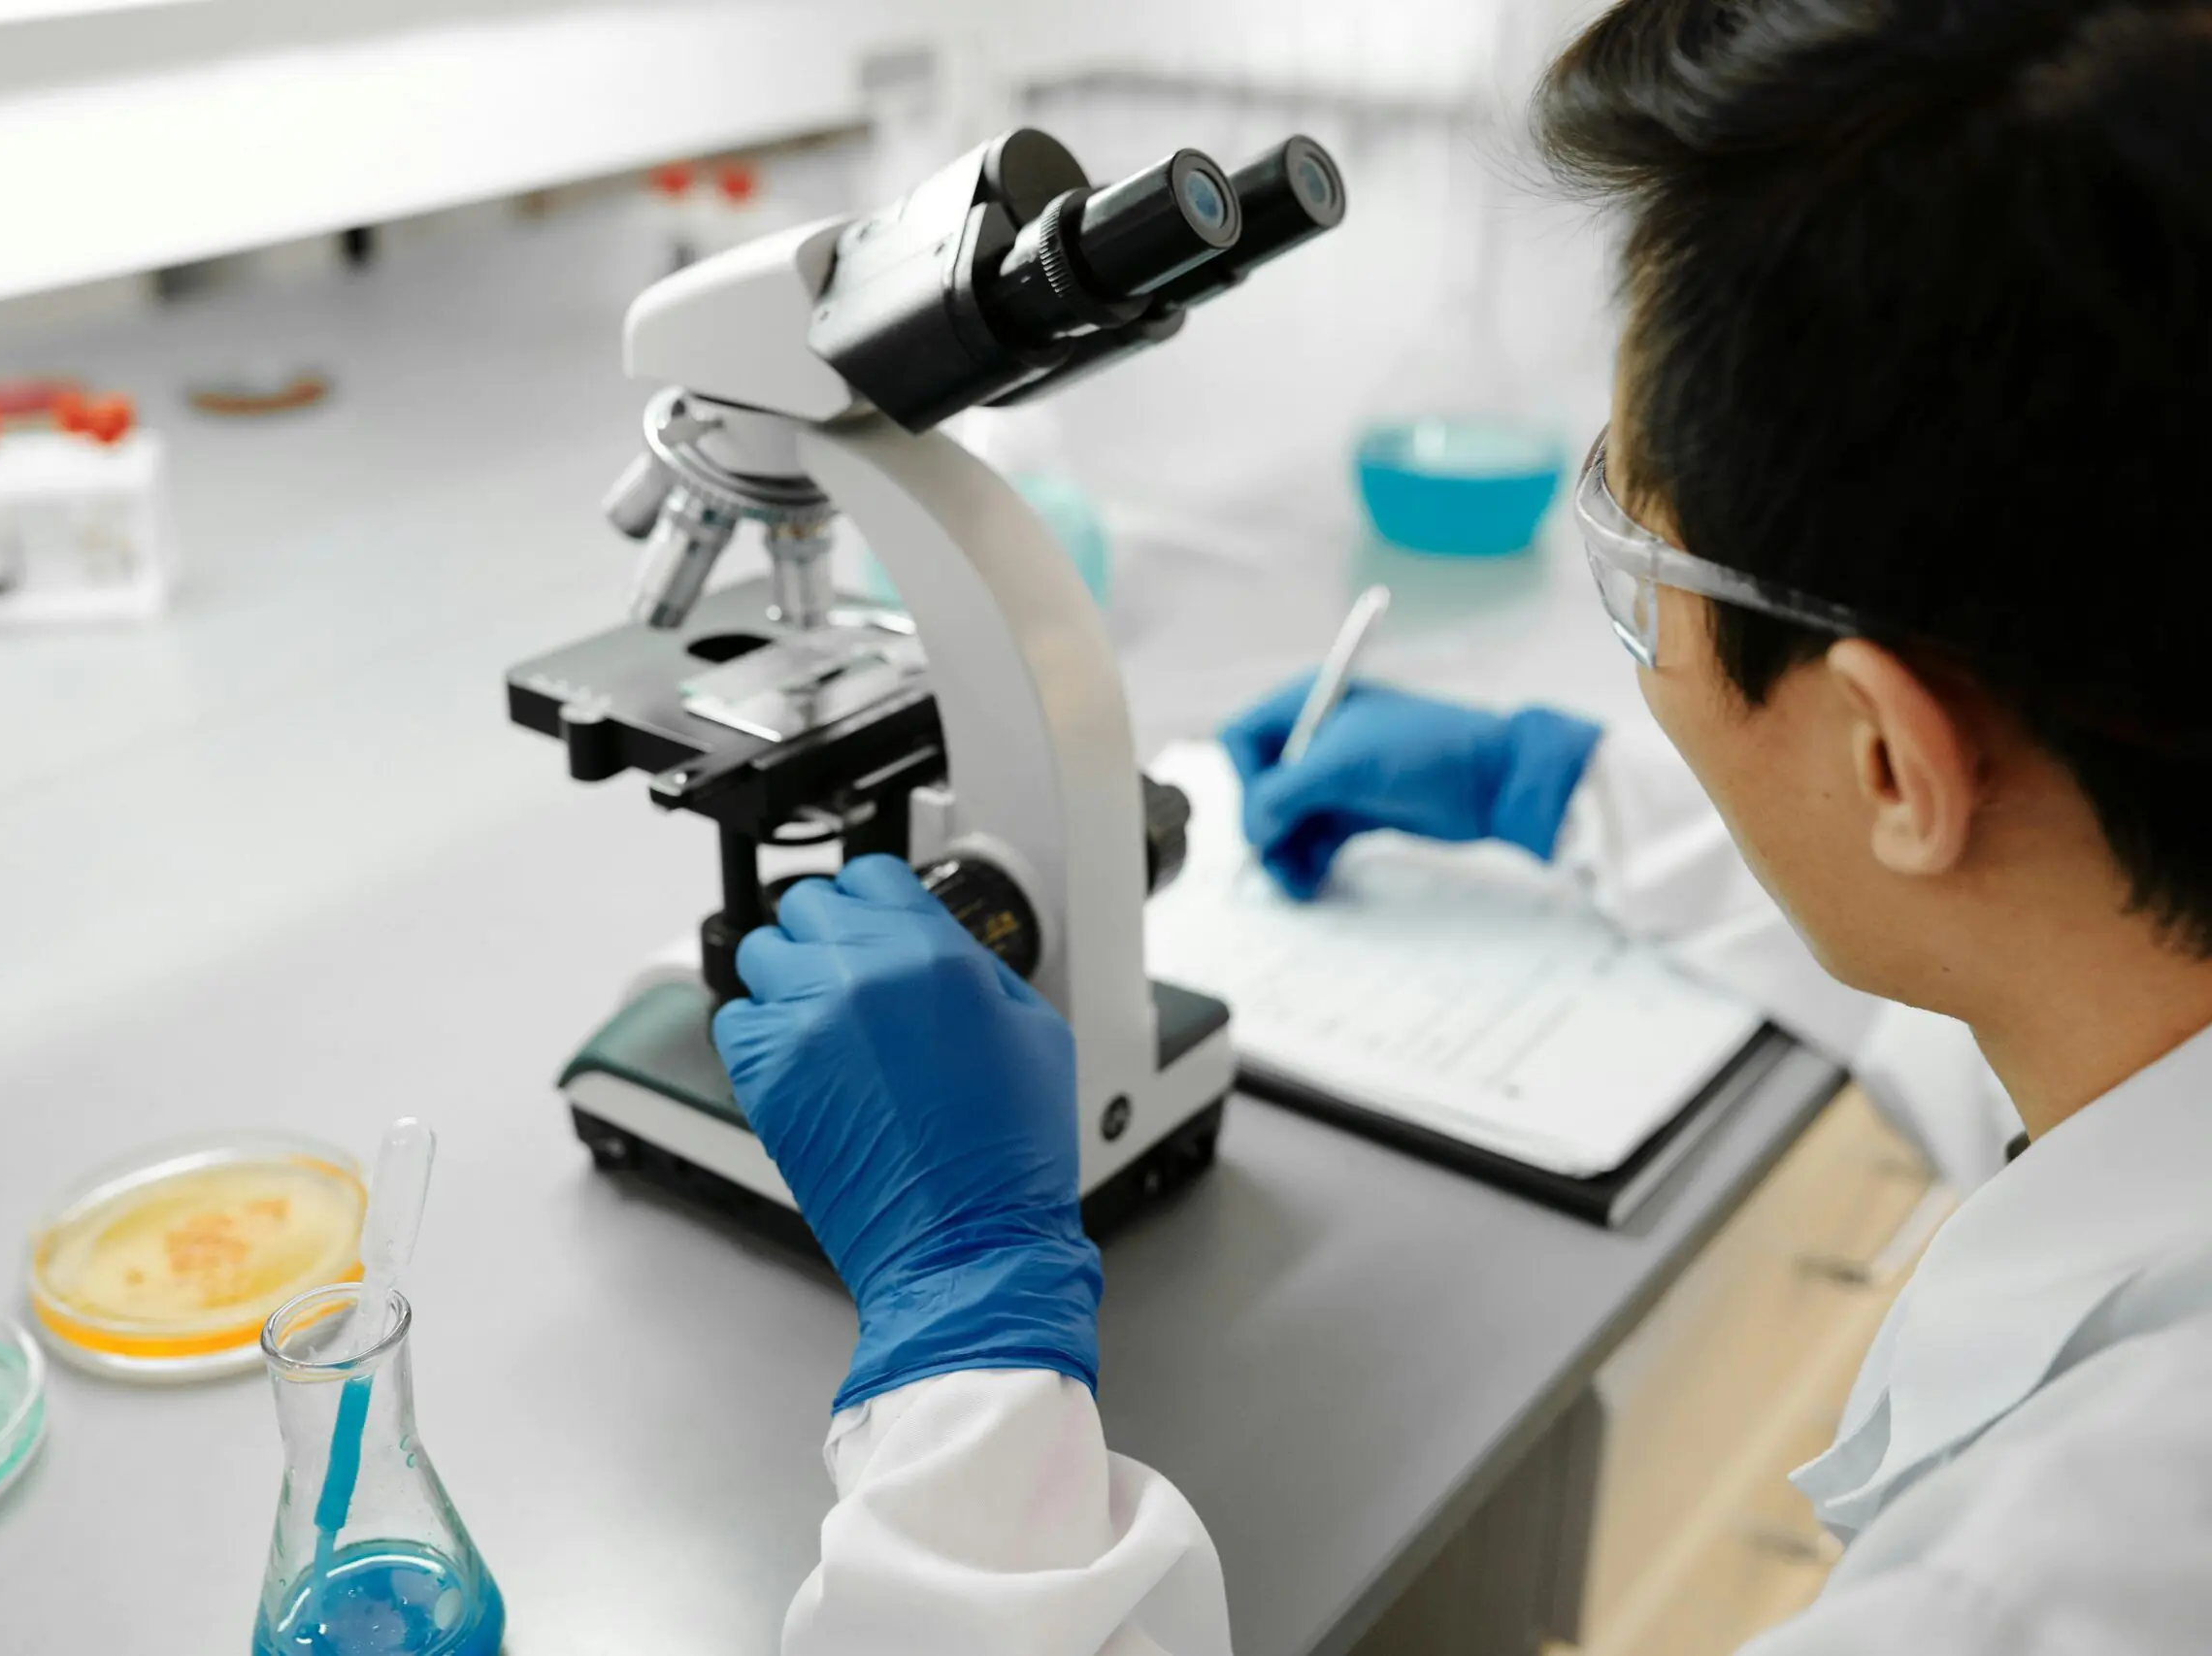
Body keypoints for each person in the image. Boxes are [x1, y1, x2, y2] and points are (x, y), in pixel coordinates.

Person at [710, 0, 2212, 1649]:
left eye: (1636, 565)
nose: (1631, 612)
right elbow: (2033, 885)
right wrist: (1558, 794)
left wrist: (965, 1363)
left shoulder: (2067, 1580)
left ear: (1891, 760)